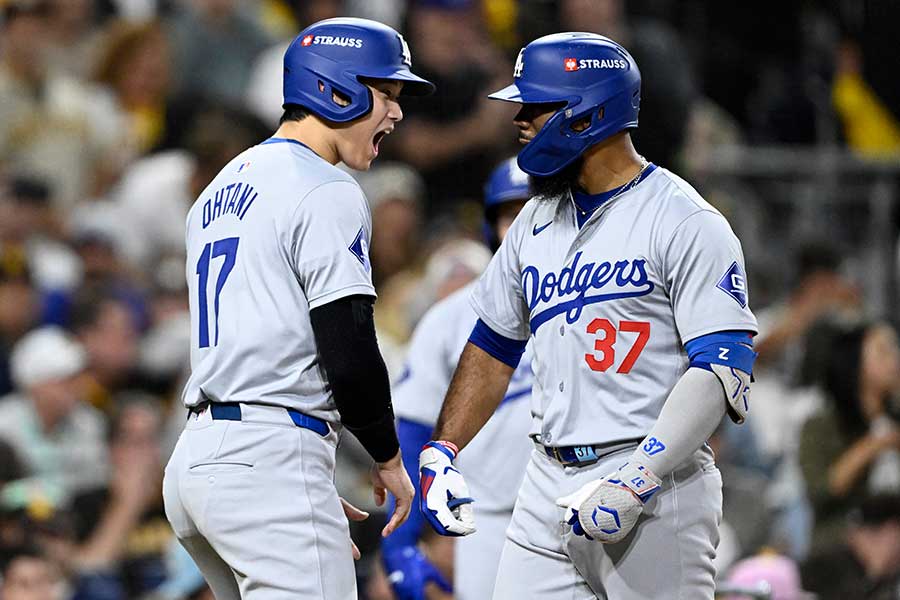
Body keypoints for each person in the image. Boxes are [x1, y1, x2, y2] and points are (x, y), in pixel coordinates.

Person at [418, 33, 758, 599]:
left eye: (535, 105)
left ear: (587, 114)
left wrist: (640, 476)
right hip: (545, 477)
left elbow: (723, 363)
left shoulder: (683, 218)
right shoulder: (531, 222)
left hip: (655, 483)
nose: (520, 119)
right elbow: (493, 344)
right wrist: (444, 447)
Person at [162, 17, 435, 599]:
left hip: (199, 460)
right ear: (336, 89)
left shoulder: (219, 188)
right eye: (386, 93)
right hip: (266, 452)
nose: (396, 112)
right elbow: (349, 346)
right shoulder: (324, 187)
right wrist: (386, 456)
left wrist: (297, 479)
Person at [381, 159, 534, 600]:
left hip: (580, 506)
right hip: (489, 518)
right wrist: (400, 541)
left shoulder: (591, 301)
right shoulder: (450, 318)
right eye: (510, 215)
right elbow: (412, 429)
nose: (523, 227)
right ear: (491, 227)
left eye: (533, 211)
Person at [799, 322, 900, 554]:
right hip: (842, 545)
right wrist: (873, 447)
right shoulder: (821, 425)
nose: (895, 359)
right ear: (854, 362)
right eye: (884, 351)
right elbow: (820, 491)